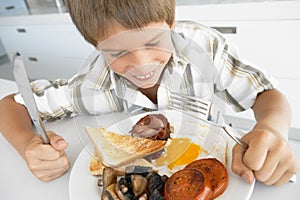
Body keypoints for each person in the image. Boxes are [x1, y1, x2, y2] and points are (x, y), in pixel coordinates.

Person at [0, 0, 298, 185]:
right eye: (118, 51)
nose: (142, 65)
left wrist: (272, 129)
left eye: (155, 40)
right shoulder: (95, 83)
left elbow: (267, 95)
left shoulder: (204, 47)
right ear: (96, 47)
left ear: (171, 23)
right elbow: (11, 105)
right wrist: (27, 144)